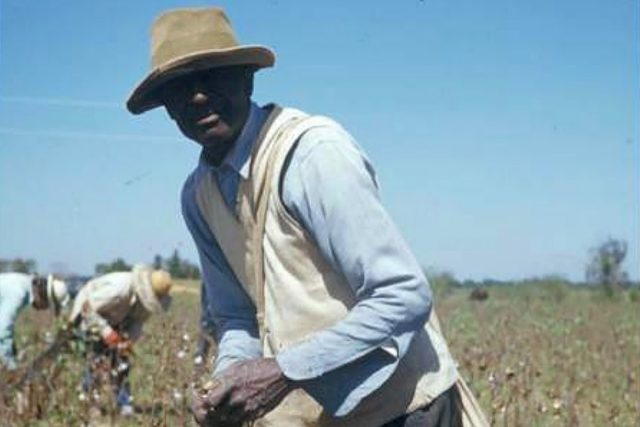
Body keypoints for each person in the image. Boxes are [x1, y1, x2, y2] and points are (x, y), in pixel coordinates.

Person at [127, 7, 488, 427]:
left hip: (402, 408)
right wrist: (226, 384)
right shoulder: (198, 195)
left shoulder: (311, 154)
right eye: (180, 88)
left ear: (246, 78)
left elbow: (403, 295)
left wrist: (283, 371)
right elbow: (236, 316)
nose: (198, 97)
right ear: (167, 109)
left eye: (211, 76)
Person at [68, 264, 172, 416]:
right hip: (90, 316)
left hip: (115, 318)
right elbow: (87, 307)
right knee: (96, 360)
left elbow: (137, 322)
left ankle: (124, 402)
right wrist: (107, 332)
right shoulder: (120, 289)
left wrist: (128, 341)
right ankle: (90, 402)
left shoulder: (145, 303)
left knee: (122, 363)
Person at [0, 272, 69, 371]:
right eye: (47, 305)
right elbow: (2, 329)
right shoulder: (18, 293)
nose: (43, 309)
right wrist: (10, 366)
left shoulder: (23, 283)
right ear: (43, 295)